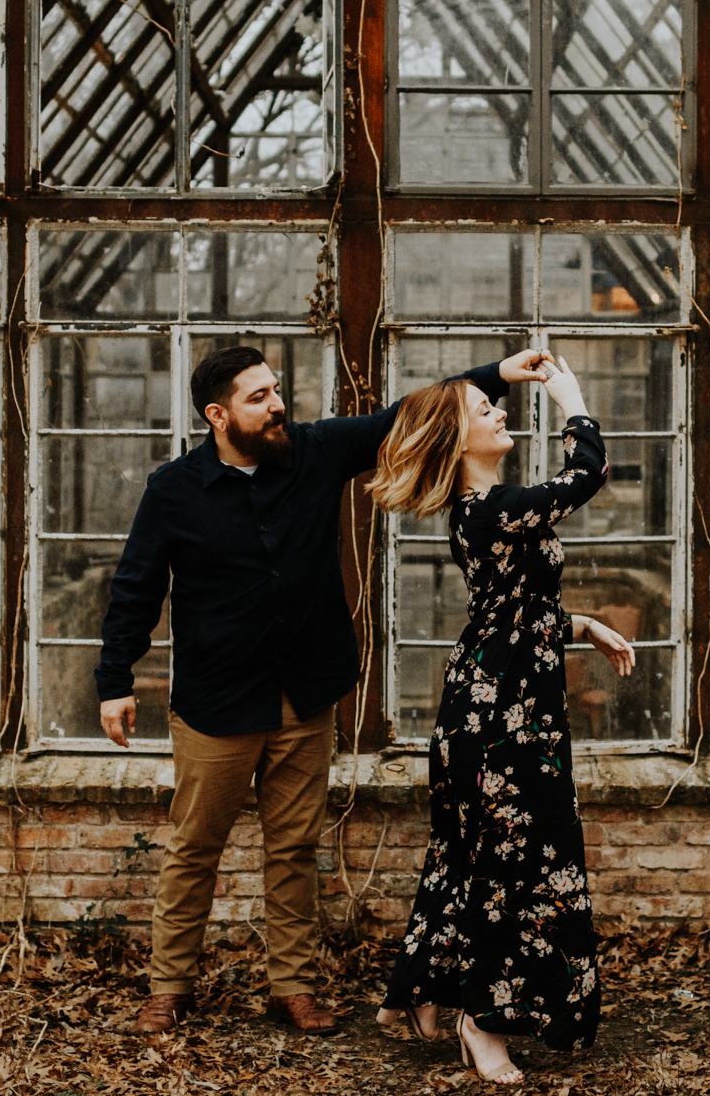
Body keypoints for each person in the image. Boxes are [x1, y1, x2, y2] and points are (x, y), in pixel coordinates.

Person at [95, 344, 558, 1037]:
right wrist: (115, 681)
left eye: (276, 389)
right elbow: (136, 587)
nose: (278, 403)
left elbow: (403, 416)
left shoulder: (314, 451)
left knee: (293, 847)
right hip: (218, 702)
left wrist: (496, 375)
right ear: (219, 415)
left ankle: (293, 987)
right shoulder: (174, 489)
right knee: (194, 847)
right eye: (258, 396)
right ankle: (169, 988)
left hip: (305, 694)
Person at [366, 355, 634, 1086]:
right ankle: (481, 1019)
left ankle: (432, 993)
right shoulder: (488, 507)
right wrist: (573, 400)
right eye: (486, 410)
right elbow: (586, 474)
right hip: (498, 713)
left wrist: (583, 626)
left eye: (498, 405)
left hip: (504, 696)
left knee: (472, 850)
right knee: (514, 858)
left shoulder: (491, 513)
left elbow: (512, 606)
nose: (499, 412)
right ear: (457, 439)